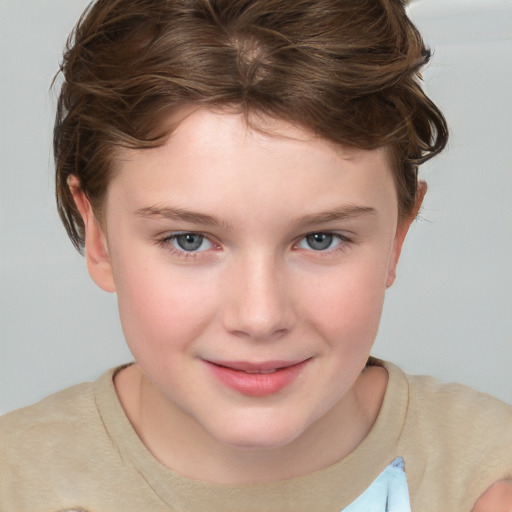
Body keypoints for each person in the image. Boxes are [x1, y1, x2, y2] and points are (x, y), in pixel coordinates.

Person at [0, 0, 511, 510]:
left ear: (398, 233)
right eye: (189, 240)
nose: (260, 316)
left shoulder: (489, 479)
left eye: (321, 239)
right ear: (98, 235)